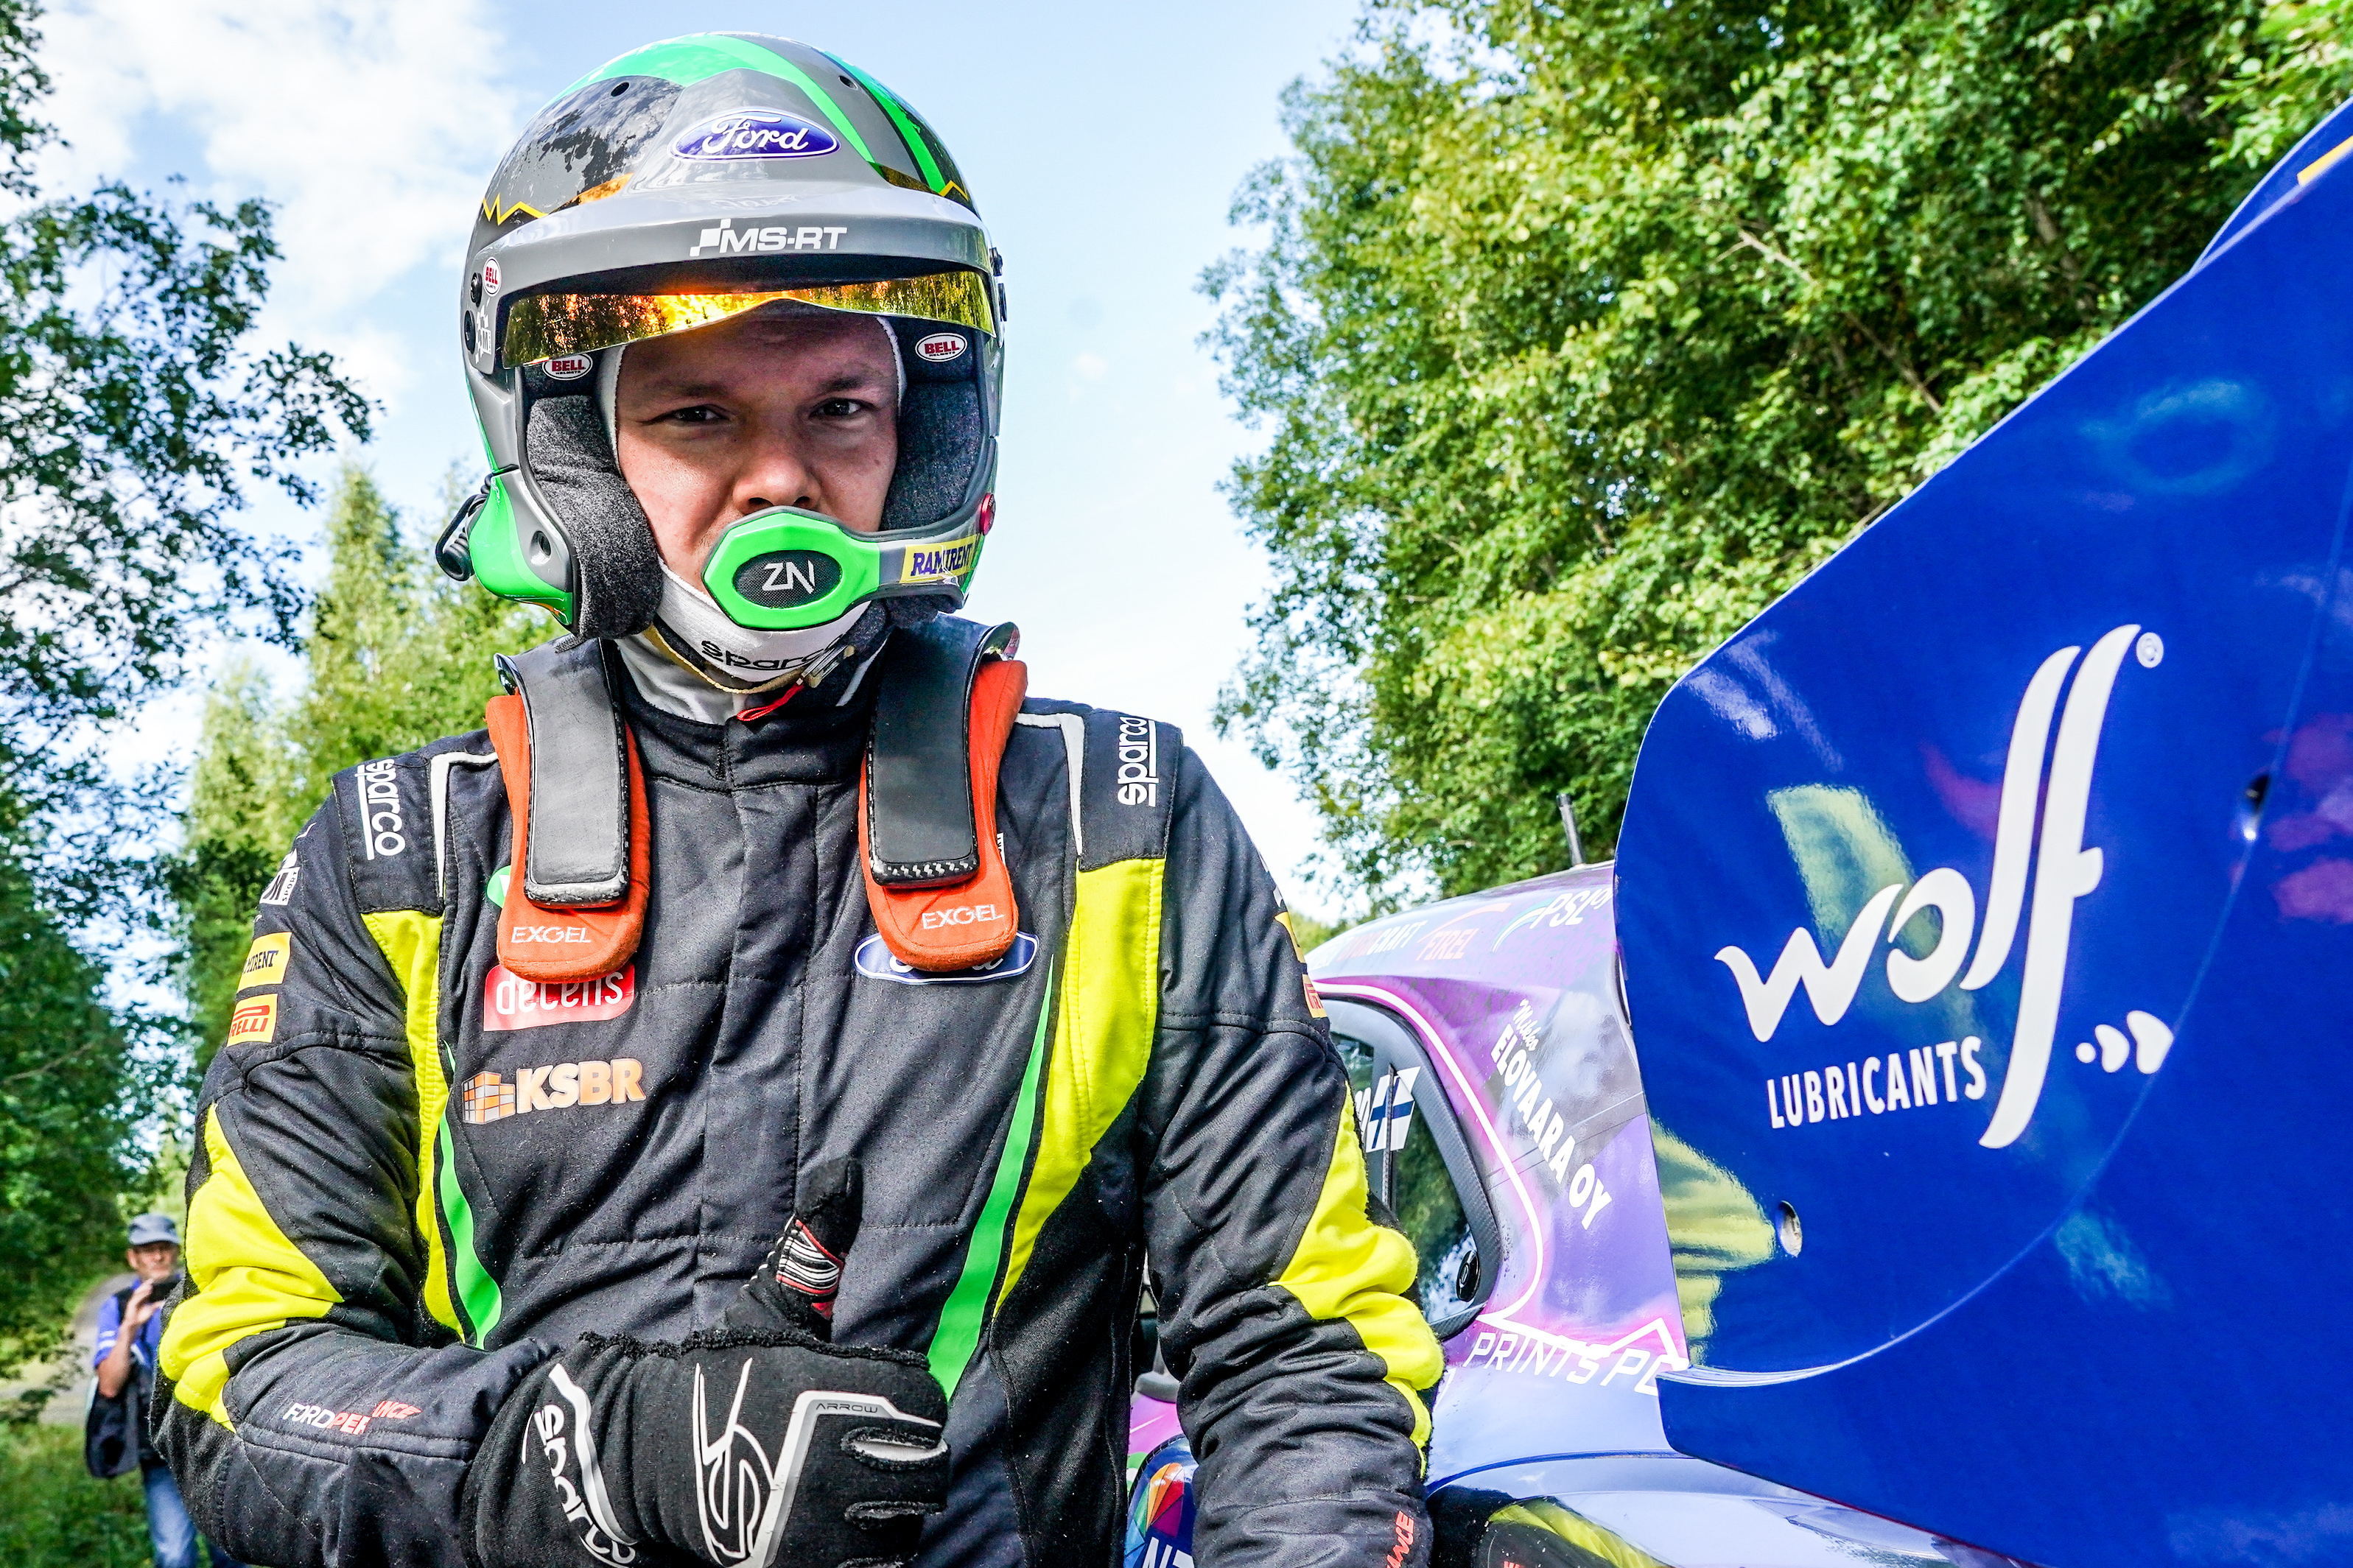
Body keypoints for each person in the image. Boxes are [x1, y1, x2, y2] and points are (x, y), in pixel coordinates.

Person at [153, 32, 1442, 1568]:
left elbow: (1304, 1353)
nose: (778, 478)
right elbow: (237, 1382)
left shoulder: (1121, 819)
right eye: (699, 415)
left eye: (838, 408)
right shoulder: (400, 854)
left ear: (922, 436)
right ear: (573, 448)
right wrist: (590, 1453)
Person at [93, 1214, 245, 1568]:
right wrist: (130, 1327)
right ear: (133, 1258)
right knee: (175, 1556)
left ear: (178, 1252)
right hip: (158, 1450)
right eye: (148, 1250)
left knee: (232, 1553)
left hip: (214, 1441)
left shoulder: (205, 1295)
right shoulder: (118, 1306)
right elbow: (109, 1385)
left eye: (164, 1248)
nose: (158, 1257)